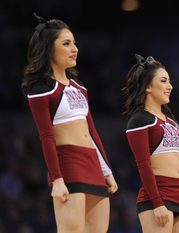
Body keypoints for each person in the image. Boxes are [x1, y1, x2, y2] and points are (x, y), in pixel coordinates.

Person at [21, 13, 118, 233]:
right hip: (69, 164)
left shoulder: (79, 86)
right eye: (66, 43)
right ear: (49, 49)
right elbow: (46, 136)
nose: (75, 48)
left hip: (92, 163)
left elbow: (91, 132)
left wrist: (107, 171)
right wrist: (56, 179)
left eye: (74, 42)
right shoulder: (42, 88)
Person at [122, 54, 179, 233]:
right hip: (157, 196)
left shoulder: (172, 122)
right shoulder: (139, 120)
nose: (170, 87)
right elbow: (143, 164)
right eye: (164, 81)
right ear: (148, 87)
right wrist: (157, 203)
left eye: (169, 82)